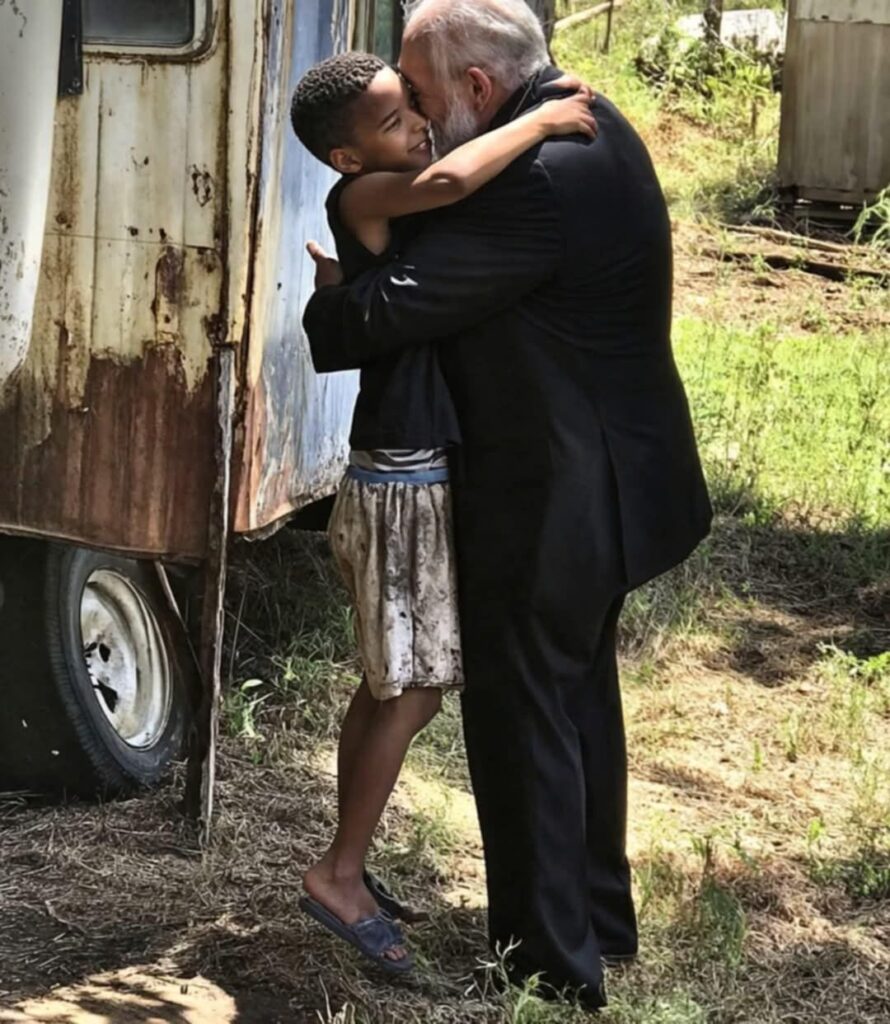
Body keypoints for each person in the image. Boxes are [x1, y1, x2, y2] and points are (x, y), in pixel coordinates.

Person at [302, 0, 713, 1010]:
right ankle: (595, 921)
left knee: (524, 717)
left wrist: (331, 298)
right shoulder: (588, 120)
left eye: (422, 99)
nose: (422, 123)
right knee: (576, 701)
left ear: (478, 88)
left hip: (560, 492)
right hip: (613, 477)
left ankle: (549, 969)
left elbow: (383, 315)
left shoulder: (530, 174)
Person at [290, 49, 597, 975]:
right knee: (413, 689)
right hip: (403, 475)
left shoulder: (373, 202)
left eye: (414, 108)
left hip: (401, 466)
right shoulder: (366, 195)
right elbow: (454, 179)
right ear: (348, 159)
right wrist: (543, 120)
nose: (420, 128)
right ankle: (339, 874)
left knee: (387, 685)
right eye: (396, 121)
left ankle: (347, 858)